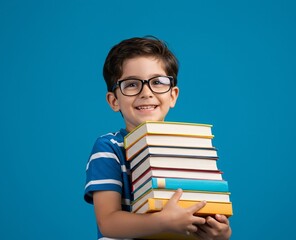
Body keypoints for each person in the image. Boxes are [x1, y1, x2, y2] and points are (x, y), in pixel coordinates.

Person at [84, 36, 232, 240]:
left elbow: (200, 213)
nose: (146, 92)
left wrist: (219, 233)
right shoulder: (109, 147)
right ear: (114, 100)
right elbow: (108, 222)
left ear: (173, 95)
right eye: (131, 84)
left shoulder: (191, 147)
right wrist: (162, 222)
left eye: (158, 82)